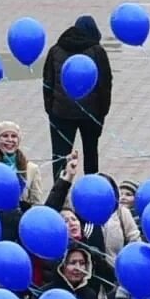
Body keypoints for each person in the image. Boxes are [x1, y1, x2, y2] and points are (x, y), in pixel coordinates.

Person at [42, 15, 112, 181]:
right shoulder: (97, 51)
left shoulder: (56, 50)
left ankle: (60, 194)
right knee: (91, 154)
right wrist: (102, 113)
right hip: (91, 114)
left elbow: (47, 83)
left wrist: (51, 111)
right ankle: (92, 188)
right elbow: (105, 84)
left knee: (60, 156)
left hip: (61, 113)